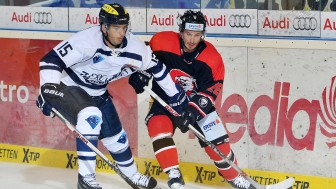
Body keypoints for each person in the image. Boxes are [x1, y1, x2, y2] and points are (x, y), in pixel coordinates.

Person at [36, 3, 185, 189]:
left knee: (117, 138)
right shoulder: (86, 41)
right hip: (70, 86)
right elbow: (51, 60)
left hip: (98, 91)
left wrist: (176, 96)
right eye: (116, 28)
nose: (121, 33)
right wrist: (48, 88)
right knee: (90, 116)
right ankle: (86, 179)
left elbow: (158, 69)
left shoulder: (135, 47)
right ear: (104, 27)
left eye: (124, 27)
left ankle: (131, 175)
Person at [129, 10, 255, 189]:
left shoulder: (212, 58)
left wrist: (192, 111)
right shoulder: (162, 41)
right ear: (181, 31)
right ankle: (174, 174)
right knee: (157, 126)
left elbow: (210, 92)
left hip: (196, 104)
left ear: (202, 34)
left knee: (217, 145)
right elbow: (145, 59)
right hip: (165, 100)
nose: (192, 40)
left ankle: (235, 177)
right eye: (188, 34)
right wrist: (139, 74)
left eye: (197, 35)